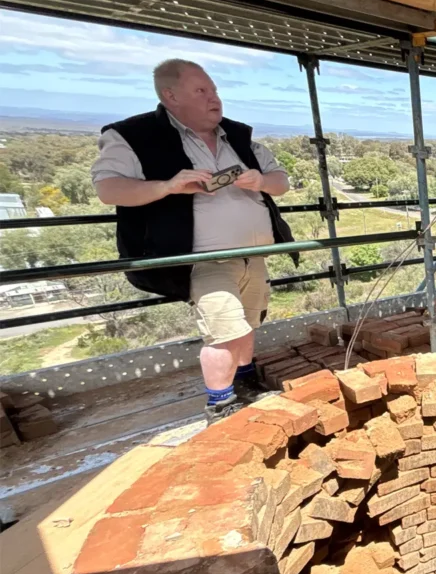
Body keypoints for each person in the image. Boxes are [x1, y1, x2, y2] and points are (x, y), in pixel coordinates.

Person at [92, 59, 294, 425]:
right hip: (205, 258)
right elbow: (109, 189)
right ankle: (220, 404)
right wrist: (167, 187)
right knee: (223, 329)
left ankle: (246, 382)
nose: (214, 99)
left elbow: (281, 181)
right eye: (202, 91)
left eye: (214, 90)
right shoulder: (133, 136)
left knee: (246, 324)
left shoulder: (238, 136)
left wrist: (259, 182)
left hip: (254, 254)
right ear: (171, 95)